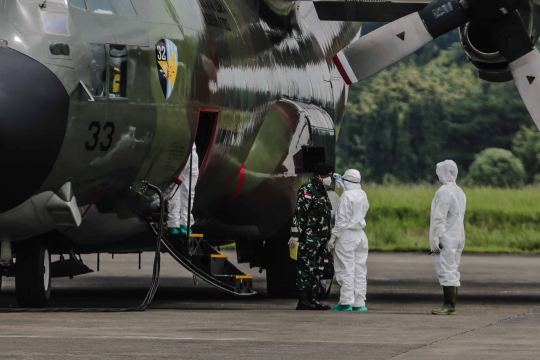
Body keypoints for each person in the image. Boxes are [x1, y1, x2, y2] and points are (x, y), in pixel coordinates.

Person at [289, 162, 333, 310]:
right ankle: (303, 300)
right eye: (327, 176)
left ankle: (313, 298)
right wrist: (295, 234)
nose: (329, 179)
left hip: (321, 238)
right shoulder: (308, 190)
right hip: (309, 238)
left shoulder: (322, 190)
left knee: (317, 269)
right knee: (305, 269)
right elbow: (300, 214)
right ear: (318, 176)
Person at [327, 169, 370, 312]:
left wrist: (333, 237)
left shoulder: (346, 196)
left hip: (347, 236)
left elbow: (342, 220)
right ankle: (360, 303)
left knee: (346, 269)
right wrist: (344, 188)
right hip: (360, 235)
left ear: (346, 180)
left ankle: (346, 302)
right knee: (359, 270)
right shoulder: (362, 194)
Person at [430, 160, 467, 315]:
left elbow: (440, 217)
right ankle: (451, 304)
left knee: (446, 269)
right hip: (458, 235)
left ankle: (449, 305)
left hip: (447, 236)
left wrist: (436, 238)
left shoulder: (444, 191)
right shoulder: (460, 191)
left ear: (444, 172)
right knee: (453, 268)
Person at [167, 144, 199, 235]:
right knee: (176, 190)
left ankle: (182, 224)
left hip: (188, 153)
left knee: (186, 191)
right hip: (181, 152)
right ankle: (177, 223)